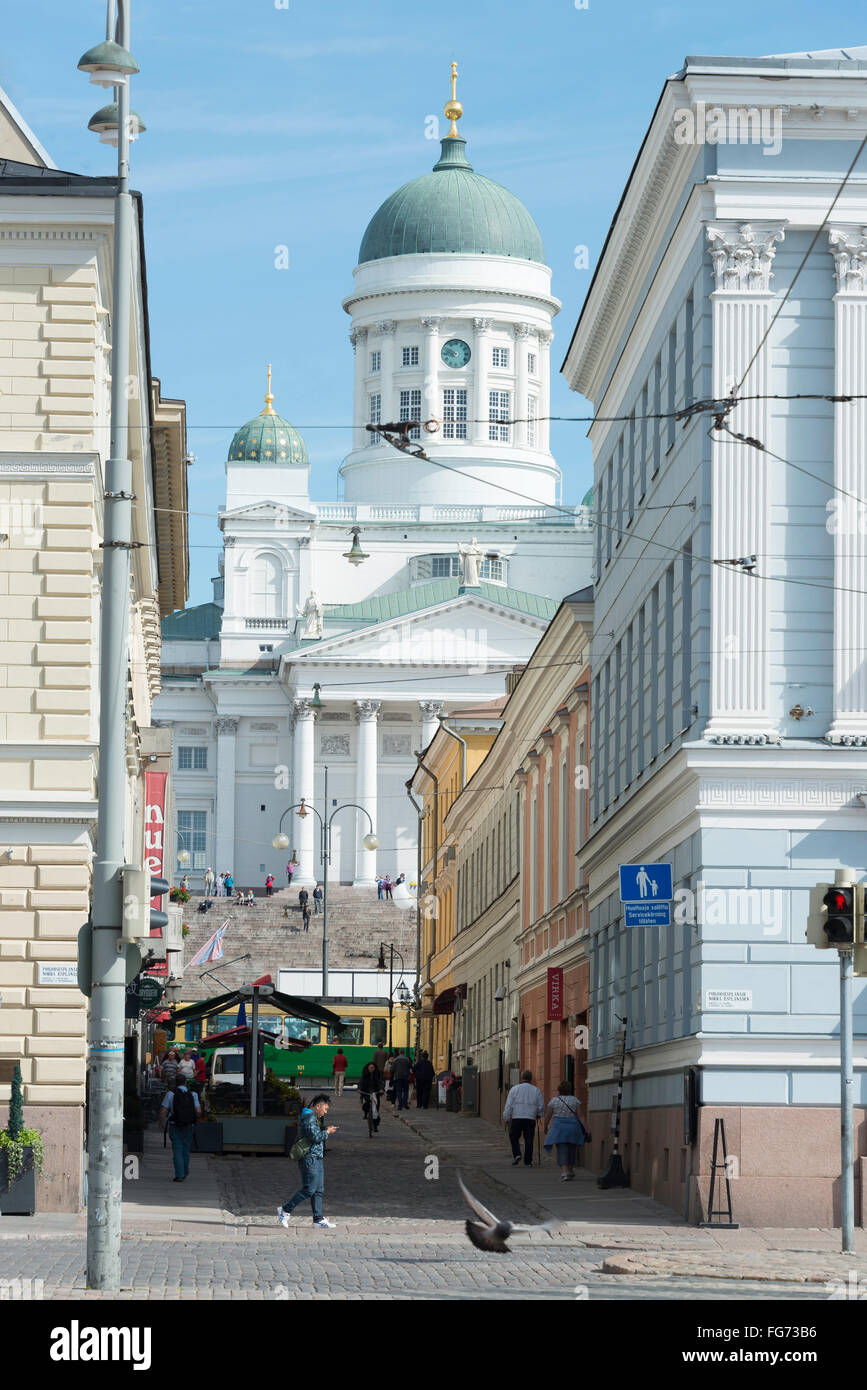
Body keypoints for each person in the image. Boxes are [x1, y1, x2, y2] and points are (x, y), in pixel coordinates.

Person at [277, 1093, 338, 1229]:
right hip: (309, 1158)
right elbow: (315, 1137)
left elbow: (312, 1134)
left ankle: (318, 1219)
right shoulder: (309, 1117)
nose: (325, 1112)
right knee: (309, 1189)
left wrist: (324, 1130)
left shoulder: (312, 1117)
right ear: (318, 1106)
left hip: (316, 1157)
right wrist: (327, 1132)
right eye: (325, 1109)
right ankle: (285, 1210)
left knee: (318, 1190)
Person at [158, 1076, 200, 1182]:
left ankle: (179, 1174)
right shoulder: (193, 1094)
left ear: (175, 1083)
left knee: (177, 1150)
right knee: (186, 1150)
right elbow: (198, 1111)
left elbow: (163, 1111)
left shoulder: (170, 1094)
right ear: (185, 1083)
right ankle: (185, 1171)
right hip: (188, 1126)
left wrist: (161, 1123)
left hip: (175, 1125)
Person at [544, 1080, 587, 1181]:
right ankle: (570, 1170)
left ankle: (564, 1172)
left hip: (559, 1127)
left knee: (562, 1149)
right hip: (573, 1127)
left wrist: (546, 1126)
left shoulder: (554, 1101)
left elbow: (548, 1116)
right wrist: (587, 1128)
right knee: (572, 1148)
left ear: (559, 1090)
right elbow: (581, 1116)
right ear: (569, 1089)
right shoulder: (575, 1100)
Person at [503, 1069, 545, 1167]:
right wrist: (539, 1114)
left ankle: (517, 1154)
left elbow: (509, 1105)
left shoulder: (514, 1089)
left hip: (517, 1116)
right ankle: (528, 1161)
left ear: (521, 1078)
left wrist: (506, 1117)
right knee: (529, 1139)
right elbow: (541, 1106)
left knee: (513, 1136)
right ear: (531, 1078)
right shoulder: (536, 1090)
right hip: (530, 1117)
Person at [359, 1063, 382, 1131]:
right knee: (366, 1104)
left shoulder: (377, 1075)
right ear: (368, 1068)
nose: (371, 1069)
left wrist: (381, 1089)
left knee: (376, 1110)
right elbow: (361, 1082)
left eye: (373, 1068)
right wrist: (359, 1089)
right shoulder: (364, 1075)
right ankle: (366, 1113)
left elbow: (380, 1082)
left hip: (375, 1093)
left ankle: (375, 1126)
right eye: (370, 1068)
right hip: (367, 1093)